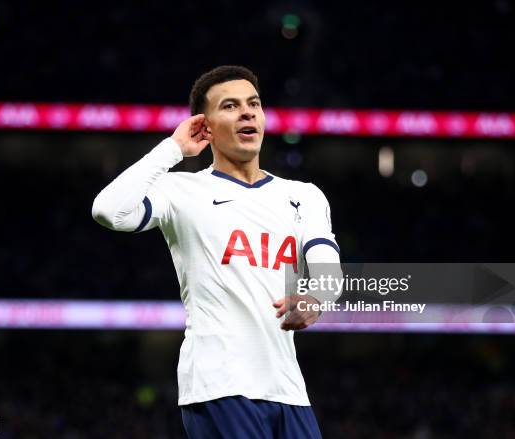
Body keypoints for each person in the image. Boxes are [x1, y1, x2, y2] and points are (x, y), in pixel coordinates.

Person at [92, 65, 340, 439]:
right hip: (219, 386)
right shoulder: (180, 190)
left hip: (288, 389)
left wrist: (316, 298)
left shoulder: (304, 195)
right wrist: (173, 149)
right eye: (230, 106)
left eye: (253, 103)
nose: (246, 112)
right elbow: (109, 210)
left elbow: (328, 272)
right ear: (204, 126)